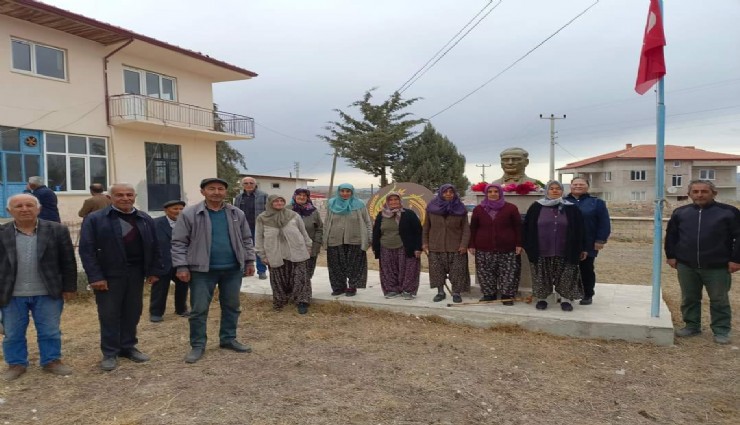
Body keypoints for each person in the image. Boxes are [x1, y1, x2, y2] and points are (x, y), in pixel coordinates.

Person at [79, 183, 163, 371]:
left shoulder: (144, 218)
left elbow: (155, 246)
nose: (125, 198)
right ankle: (110, 352)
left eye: (129, 194)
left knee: (133, 311)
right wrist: (95, 277)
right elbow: (87, 250)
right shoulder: (95, 219)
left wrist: (154, 270)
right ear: (110, 198)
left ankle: (128, 347)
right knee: (109, 314)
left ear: (134, 196)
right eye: (120, 195)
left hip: (136, 273)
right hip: (109, 275)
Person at [172, 178, 256, 364]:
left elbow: (246, 238)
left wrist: (249, 260)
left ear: (225, 192)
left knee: (232, 306)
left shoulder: (236, 213)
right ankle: (198, 345)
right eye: (211, 189)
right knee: (199, 309)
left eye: (220, 189)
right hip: (202, 271)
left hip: (232, 270)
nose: (216, 192)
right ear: (203, 192)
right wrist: (181, 266)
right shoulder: (190, 214)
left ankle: (228, 339)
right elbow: (179, 242)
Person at [0, 194, 77, 381]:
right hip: (11, 293)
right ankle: (16, 363)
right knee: (12, 333)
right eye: (18, 206)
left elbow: (68, 260)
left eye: (29, 205)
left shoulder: (57, 230)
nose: (24, 209)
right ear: (9, 211)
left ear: (39, 209)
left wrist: (69, 287)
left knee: (50, 330)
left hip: (48, 291)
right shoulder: (2, 232)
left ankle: (51, 360)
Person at [665, 180, 740, 345]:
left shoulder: (729, 212)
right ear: (689, 194)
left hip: (717, 266)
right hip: (686, 265)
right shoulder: (680, 213)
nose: (700, 195)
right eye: (695, 191)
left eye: (704, 191)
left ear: (714, 193)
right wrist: (671, 256)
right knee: (689, 298)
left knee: (719, 299)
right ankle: (692, 325)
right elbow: (671, 236)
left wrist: (736, 259)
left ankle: (721, 330)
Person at [523, 180, 586, 312]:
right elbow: (527, 227)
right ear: (547, 191)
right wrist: (527, 245)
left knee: (566, 276)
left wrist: (582, 248)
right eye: (552, 188)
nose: (555, 191)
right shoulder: (536, 207)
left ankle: (565, 300)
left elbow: (580, 229)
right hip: (541, 249)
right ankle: (542, 299)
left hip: (566, 250)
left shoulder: (571, 208)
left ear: (562, 191)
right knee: (541, 276)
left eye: (558, 188)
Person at [255, 195, 314, 314]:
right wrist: (262, 255)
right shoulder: (262, 218)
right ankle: (280, 301)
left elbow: (303, 232)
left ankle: (302, 301)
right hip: (275, 252)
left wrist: (308, 246)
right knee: (278, 278)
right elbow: (258, 237)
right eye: (276, 201)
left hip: (296, 250)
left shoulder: (293, 215)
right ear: (270, 203)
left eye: (281, 201)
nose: (279, 203)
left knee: (300, 277)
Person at [468, 183, 522, 305]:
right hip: (483, 248)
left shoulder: (511, 208)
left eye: (496, 191)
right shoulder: (479, 209)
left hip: (507, 248)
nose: (493, 194)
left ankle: (506, 296)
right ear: (486, 194)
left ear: (500, 193)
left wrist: (519, 244)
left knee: (508, 272)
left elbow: (518, 227)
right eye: (490, 192)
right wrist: (471, 244)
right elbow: (473, 228)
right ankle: (489, 294)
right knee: (485, 272)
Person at [564, 177, 611, 305]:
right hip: (567, 241)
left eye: (581, 184)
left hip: (589, 242)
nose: (578, 186)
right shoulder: (563, 201)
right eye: (575, 184)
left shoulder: (596, 203)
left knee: (586, 269)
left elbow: (604, 222)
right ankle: (567, 292)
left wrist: (600, 240)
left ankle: (587, 294)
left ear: (587, 186)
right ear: (570, 186)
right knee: (567, 268)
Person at [423, 184, 471, 304]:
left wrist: (464, 245)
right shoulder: (431, 208)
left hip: (456, 246)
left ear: (455, 194)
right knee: (437, 271)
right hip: (436, 245)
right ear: (441, 193)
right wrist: (425, 243)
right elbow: (426, 227)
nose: (448, 194)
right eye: (445, 192)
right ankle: (440, 292)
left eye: (451, 192)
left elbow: (466, 229)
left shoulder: (460, 208)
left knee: (458, 271)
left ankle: (456, 293)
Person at [323, 183, 372, 297]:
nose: (345, 193)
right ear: (339, 192)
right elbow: (327, 222)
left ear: (352, 192)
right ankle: (339, 287)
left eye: (348, 191)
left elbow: (367, 221)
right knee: (335, 265)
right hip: (334, 239)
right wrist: (324, 238)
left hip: (355, 240)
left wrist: (369, 238)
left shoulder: (359, 204)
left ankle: (352, 287)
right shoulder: (332, 204)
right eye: (342, 191)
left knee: (354, 265)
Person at [372, 192, 422, 300]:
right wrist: (375, 248)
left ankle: (408, 291)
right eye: (391, 200)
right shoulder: (381, 215)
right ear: (387, 202)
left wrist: (418, 248)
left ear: (400, 201)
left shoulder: (409, 214)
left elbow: (418, 231)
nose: (393, 202)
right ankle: (392, 290)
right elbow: (376, 232)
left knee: (408, 270)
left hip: (405, 247)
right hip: (385, 247)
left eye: (396, 199)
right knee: (388, 271)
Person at [149, 200, 189, 322]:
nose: (179, 211)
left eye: (181, 209)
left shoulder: (188, 223)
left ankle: (181, 309)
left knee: (183, 286)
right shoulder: (155, 223)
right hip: (162, 262)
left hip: (182, 262)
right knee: (160, 288)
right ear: (166, 211)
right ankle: (156, 313)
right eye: (175, 209)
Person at [234, 176, 269, 279]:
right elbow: (235, 212)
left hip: (258, 227)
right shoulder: (239, 197)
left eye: (251, 183)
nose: (249, 185)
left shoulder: (263, 195)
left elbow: (268, 211)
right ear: (242, 185)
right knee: (243, 248)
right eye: (246, 183)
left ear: (255, 184)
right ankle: (245, 269)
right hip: (243, 227)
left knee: (259, 249)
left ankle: (261, 271)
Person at [290, 189, 323, 279]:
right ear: (294, 196)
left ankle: (305, 287)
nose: (302, 197)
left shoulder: (313, 211)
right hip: (291, 248)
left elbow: (319, 229)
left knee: (307, 274)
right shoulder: (287, 210)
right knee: (293, 274)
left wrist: (316, 245)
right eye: (299, 195)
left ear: (308, 197)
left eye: (304, 195)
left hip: (309, 247)